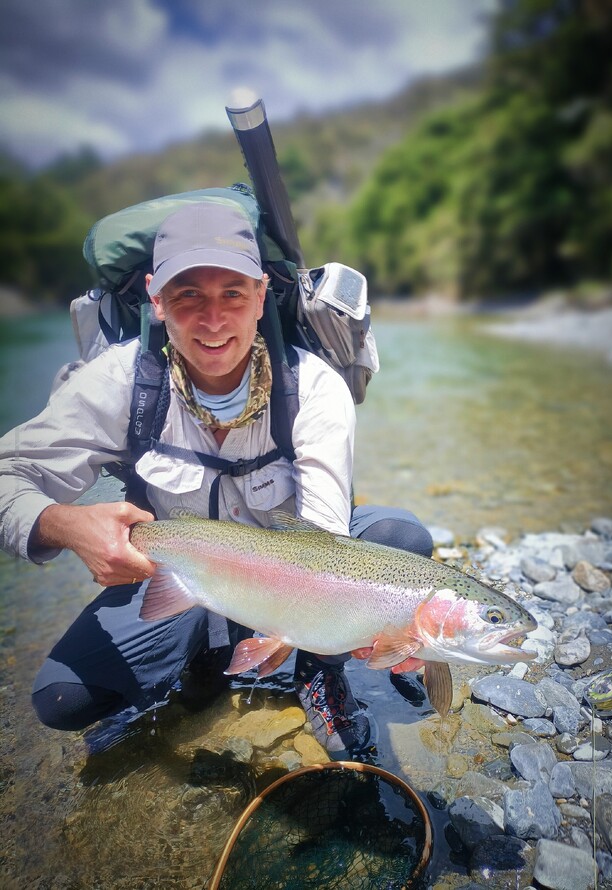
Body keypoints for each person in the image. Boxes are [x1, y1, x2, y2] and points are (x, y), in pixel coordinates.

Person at [0, 202, 432, 758]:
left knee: (402, 542)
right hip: (179, 572)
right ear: (156, 299)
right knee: (61, 699)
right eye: (188, 296)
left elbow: (325, 546)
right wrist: (63, 524)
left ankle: (317, 672)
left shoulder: (313, 387)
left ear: (260, 295)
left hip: (289, 574)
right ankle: (192, 662)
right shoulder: (117, 383)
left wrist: (359, 629)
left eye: (232, 293)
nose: (212, 320)